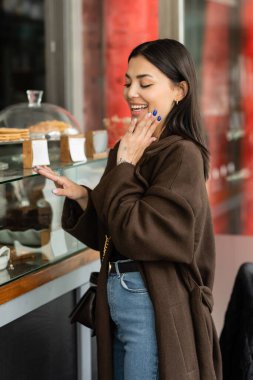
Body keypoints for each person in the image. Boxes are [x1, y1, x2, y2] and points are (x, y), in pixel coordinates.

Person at [34, 39, 222, 380]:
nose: (131, 92)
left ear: (180, 90)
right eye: (127, 82)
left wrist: (124, 166)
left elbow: (143, 235)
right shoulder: (131, 146)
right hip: (120, 293)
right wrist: (83, 197)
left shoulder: (181, 154)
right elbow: (115, 229)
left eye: (145, 83)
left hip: (149, 297)